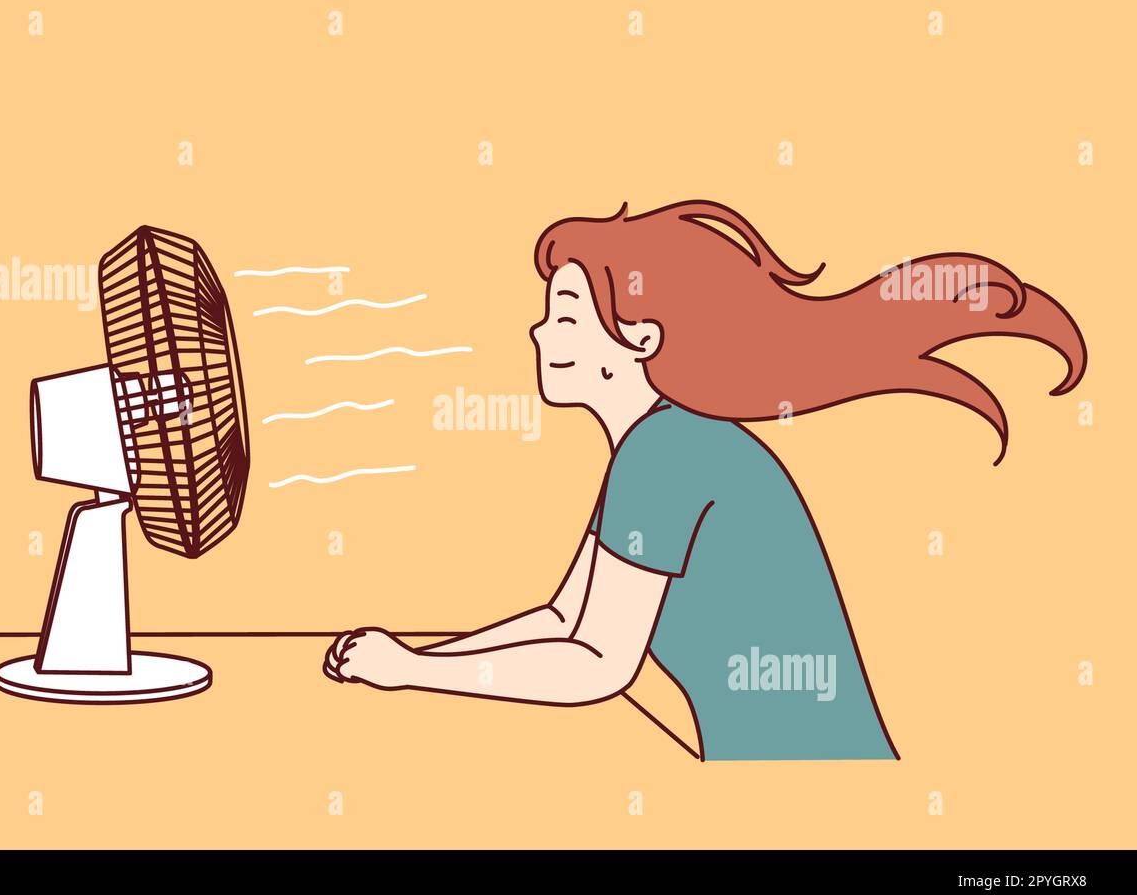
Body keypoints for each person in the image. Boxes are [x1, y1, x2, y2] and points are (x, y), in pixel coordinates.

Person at [321, 200, 1086, 760]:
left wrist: (414, 671)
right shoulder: (658, 447)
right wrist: (420, 662)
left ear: (639, 337)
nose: (539, 331)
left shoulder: (670, 458)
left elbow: (596, 665)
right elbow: (563, 618)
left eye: (565, 316)